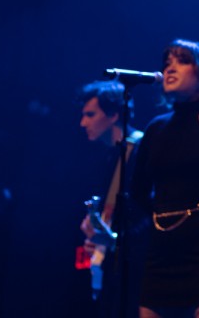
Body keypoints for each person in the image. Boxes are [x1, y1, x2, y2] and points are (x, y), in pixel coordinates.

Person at [129, 39, 199, 318]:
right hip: (161, 248)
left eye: (182, 60)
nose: (169, 67)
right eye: (167, 62)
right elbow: (138, 191)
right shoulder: (155, 128)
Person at [78, 80, 147, 318]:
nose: (83, 122)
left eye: (90, 114)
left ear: (114, 114)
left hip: (136, 270)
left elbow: (150, 213)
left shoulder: (139, 149)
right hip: (113, 268)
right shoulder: (109, 155)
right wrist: (96, 230)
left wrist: (116, 240)